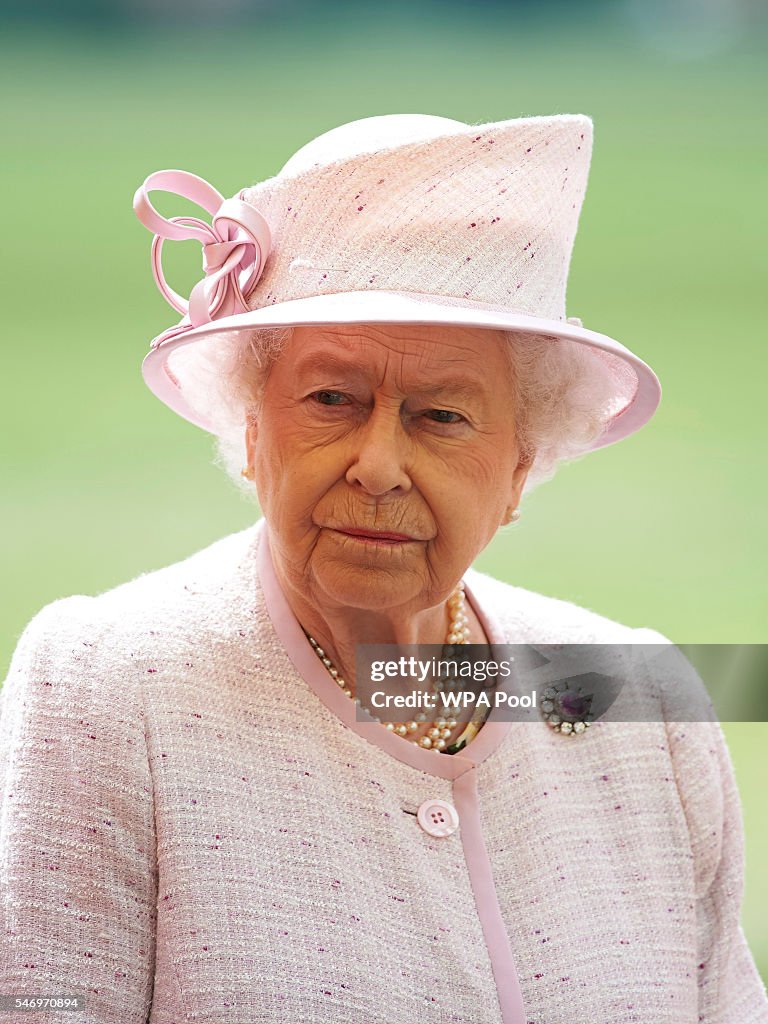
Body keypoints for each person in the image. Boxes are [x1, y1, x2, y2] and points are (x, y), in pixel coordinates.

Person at [1, 112, 766, 1024]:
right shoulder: (106, 683)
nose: (377, 463)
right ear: (252, 428)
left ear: (522, 466)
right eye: (332, 398)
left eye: (442, 416)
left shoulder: (640, 699)